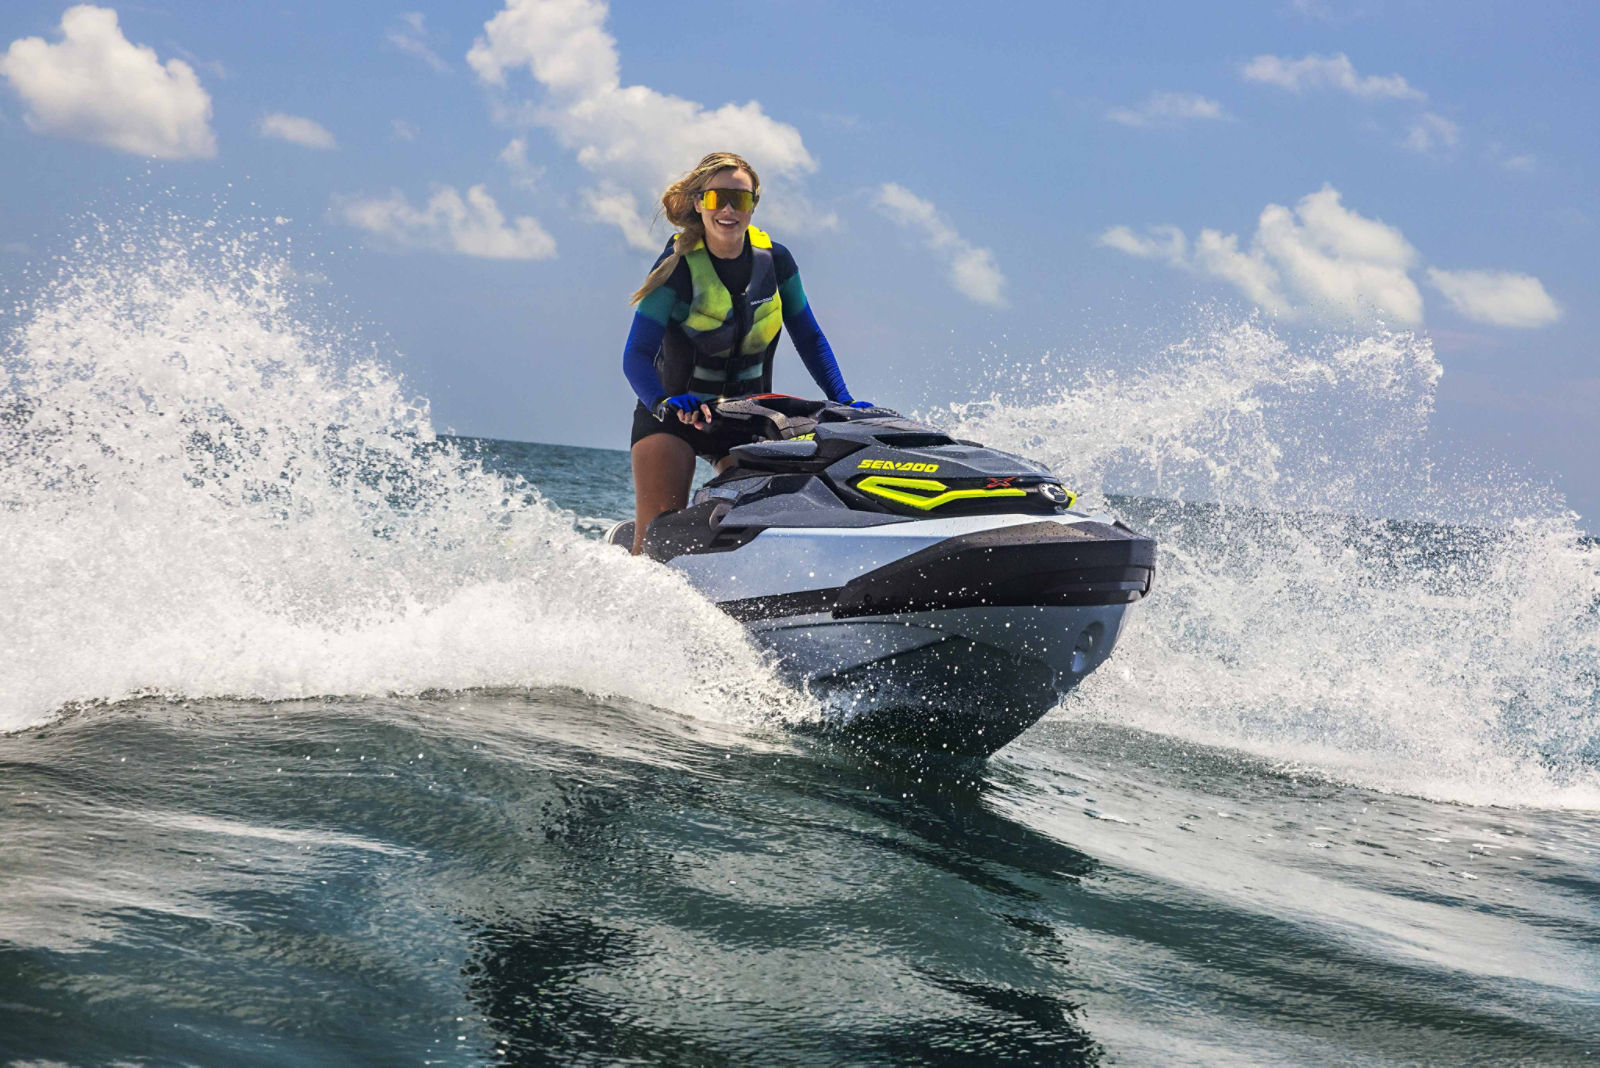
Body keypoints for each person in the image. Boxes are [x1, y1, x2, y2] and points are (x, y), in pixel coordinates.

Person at [622, 151, 869, 555]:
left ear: (754, 205)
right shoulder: (678, 266)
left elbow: (809, 336)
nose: (729, 209)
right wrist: (662, 401)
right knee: (654, 546)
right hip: (674, 417)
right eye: (719, 198)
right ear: (700, 202)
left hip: (745, 418)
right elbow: (636, 354)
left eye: (741, 199)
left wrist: (844, 400)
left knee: (755, 535)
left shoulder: (776, 261)